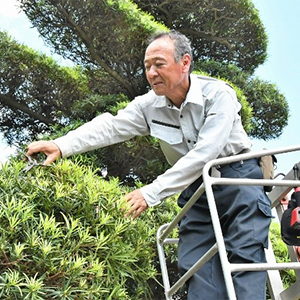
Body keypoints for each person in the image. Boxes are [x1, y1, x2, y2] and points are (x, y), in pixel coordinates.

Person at [26, 30, 272, 299]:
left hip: (237, 178)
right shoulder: (148, 106)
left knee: (245, 256)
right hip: (195, 189)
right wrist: (61, 145)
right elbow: (110, 126)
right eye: (146, 66)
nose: (151, 73)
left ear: (185, 63)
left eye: (159, 64)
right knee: (195, 267)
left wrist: (149, 193)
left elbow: (206, 152)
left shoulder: (218, 95)